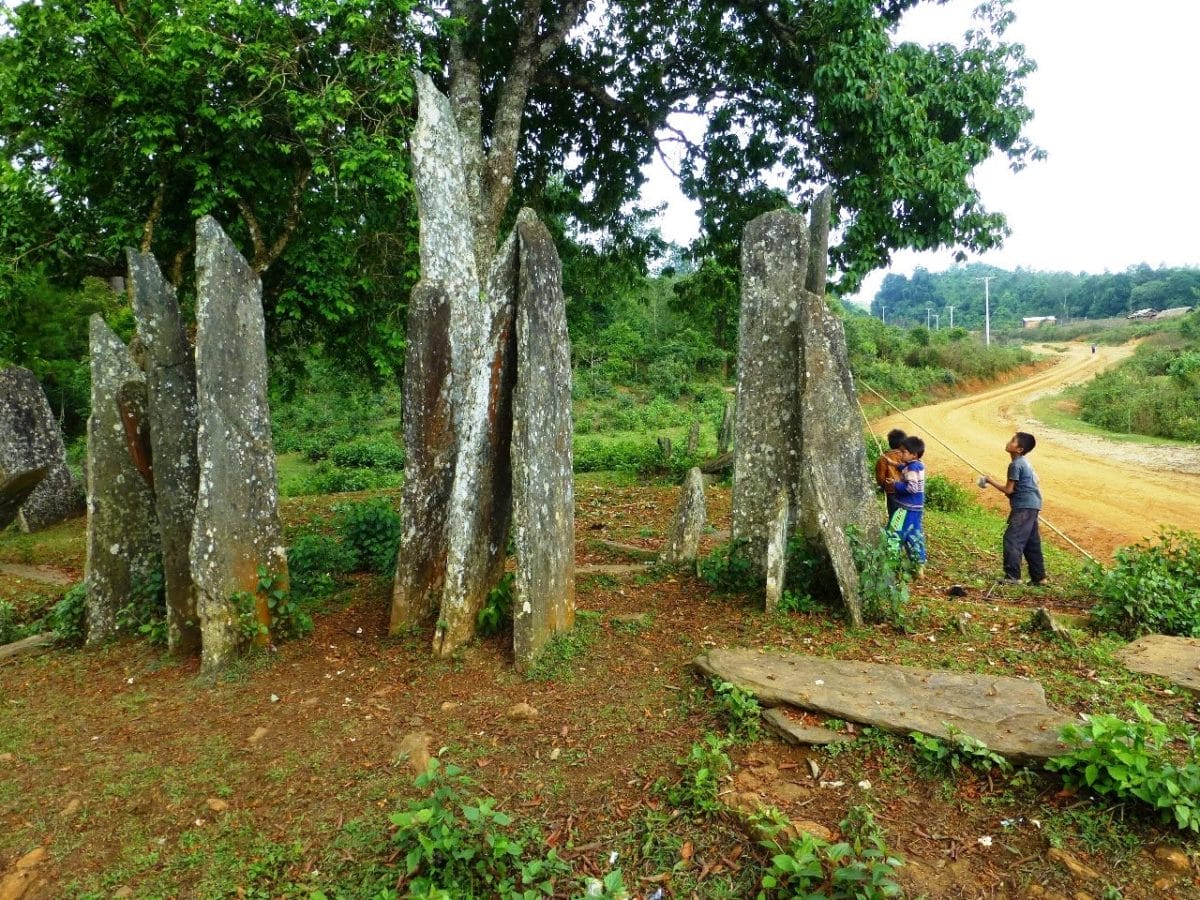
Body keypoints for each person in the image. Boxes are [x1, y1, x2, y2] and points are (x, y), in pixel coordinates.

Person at [980, 431, 1046, 586]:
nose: (1009, 442)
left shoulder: (1015, 465)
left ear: (1019, 450)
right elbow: (1034, 481)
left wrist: (989, 481)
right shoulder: (1025, 462)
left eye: (1013, 441)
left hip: (1024, 507)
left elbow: (1009, 490)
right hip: (1032, 504)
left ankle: (1013, 577)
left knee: (1012, 539)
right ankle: (1039, 578)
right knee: (1031, 542)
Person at [888, 435, 927, 575]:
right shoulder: (917, 465)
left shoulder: (911, 469)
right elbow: (904, 467)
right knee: (914, 535)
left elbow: (912, 488)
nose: (901, 454)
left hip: (904, 508)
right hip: (915, 509)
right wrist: (893, 464)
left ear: (914, 454)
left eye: (904, 452)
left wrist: (895, 484)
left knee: (894, 532)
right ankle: (919, 566)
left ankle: (890, 563)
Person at [874, 428, 907, 519]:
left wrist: (884, 485)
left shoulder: (883, 459)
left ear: (890, 443)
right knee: (905, 516)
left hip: (891, 492)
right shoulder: (908, 457)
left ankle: (894, 532)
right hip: (906, 491)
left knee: (894, 517)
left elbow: (880, 478)